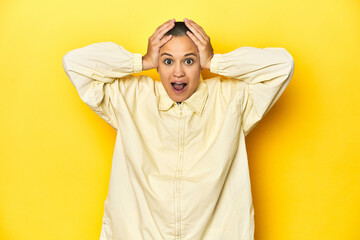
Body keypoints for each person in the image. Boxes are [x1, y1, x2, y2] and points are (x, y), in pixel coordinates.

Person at [62, 18, 294, 240]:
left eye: (189, 61)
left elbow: (283, 66)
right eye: (168, 61)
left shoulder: (232, 99)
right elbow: (74, 63)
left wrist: (216, 62)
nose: (178, 72)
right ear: (157, 66)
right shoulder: (130, 97)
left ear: (201, 65)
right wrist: (141, 61)